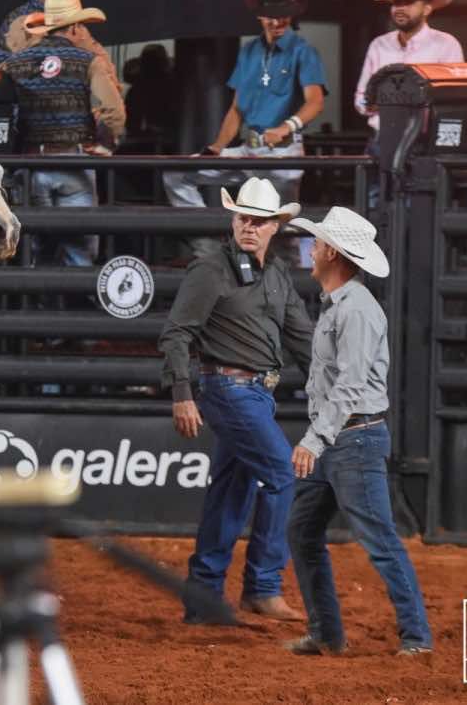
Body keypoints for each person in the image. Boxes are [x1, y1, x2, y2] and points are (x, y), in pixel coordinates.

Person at [158, 177, 314, 623]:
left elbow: (302, 337)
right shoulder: (210, 270)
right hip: (228, 389)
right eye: (244, 218)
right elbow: (177, 333)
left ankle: (203, 599)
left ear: (274, 227)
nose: (250, 226)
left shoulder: (278, 275)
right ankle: (263, 587)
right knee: (282, 474)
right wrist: (182, 394)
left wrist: (331, 387)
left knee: (232, 491)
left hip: (256, 393)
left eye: (260, 221)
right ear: (234, 220)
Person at [284, 206, 433, 657]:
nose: (311, 250)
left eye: (318, 243)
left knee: (380, 541)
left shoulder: (357, 310)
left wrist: (314, 438)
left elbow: (349, 385)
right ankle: (328, 633)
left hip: (352, 438)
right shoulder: (343, 306)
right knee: (303, 531)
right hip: (342, 438)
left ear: (332, 251)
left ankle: (417, 637)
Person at [164, 0, 326, 214]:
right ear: (260, 15)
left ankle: (279, 244)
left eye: (284, 14)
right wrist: (217, 147)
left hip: (282, 153)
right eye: (271, 15)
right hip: (248, 150)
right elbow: (237, 108)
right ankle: (207, 237)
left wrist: (285, 127)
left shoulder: (303, 52)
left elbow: (315, 102)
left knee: (279, 229)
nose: (277, 21)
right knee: (177, 173)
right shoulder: (249, 51)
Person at [0, 0, 125, 267]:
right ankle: (77, 305)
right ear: (76, 26)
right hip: (74, 161)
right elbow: (114, 113)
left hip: (31, 165)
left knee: (38, 247)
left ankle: (40, 304)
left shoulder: (14, 64)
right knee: (80, 246)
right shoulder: (88, 61)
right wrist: (105, 144)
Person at [355, 0, 463, 158]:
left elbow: (454, 100)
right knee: (376, 188)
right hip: (381, 139)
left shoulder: (445, 44)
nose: (400, 8)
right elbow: (361, 97)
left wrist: (390, 101)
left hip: (426, 141)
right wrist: (373, 104)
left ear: (427, 8)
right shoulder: (379, 45)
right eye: (396, 2)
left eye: (409, 2)